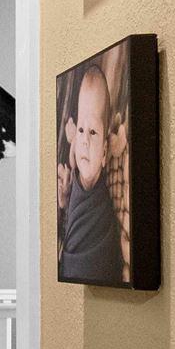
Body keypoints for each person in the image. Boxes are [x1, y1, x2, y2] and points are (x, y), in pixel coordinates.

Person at [57, 57, 125, 284]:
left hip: (95, 257)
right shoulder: (76, 168)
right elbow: (72, 214)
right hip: (69, 258)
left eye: (93, 132)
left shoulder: (100, 201)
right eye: (82, 130)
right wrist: (65, 198)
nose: (85, 140)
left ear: (105, 154)